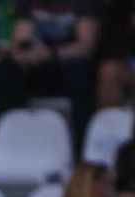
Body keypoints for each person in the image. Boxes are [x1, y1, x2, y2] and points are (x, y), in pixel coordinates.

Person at [11, 0, 102, 144]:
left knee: (79, 69)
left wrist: (50, 53)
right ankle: (14, 139)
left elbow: (86, 47)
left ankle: (82, 146)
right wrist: (25, 54)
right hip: (40, 65)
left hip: (70, 64)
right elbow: (21, 39)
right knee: (9, 69)